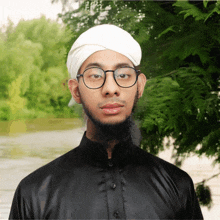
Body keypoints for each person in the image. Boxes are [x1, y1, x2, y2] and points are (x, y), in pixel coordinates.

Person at [9, 24, 203, 220]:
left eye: (123, 75)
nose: (110, 88)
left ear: (140, 86)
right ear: (75, 90)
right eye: (95, 76)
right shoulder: (34, 193)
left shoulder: (178, 186)